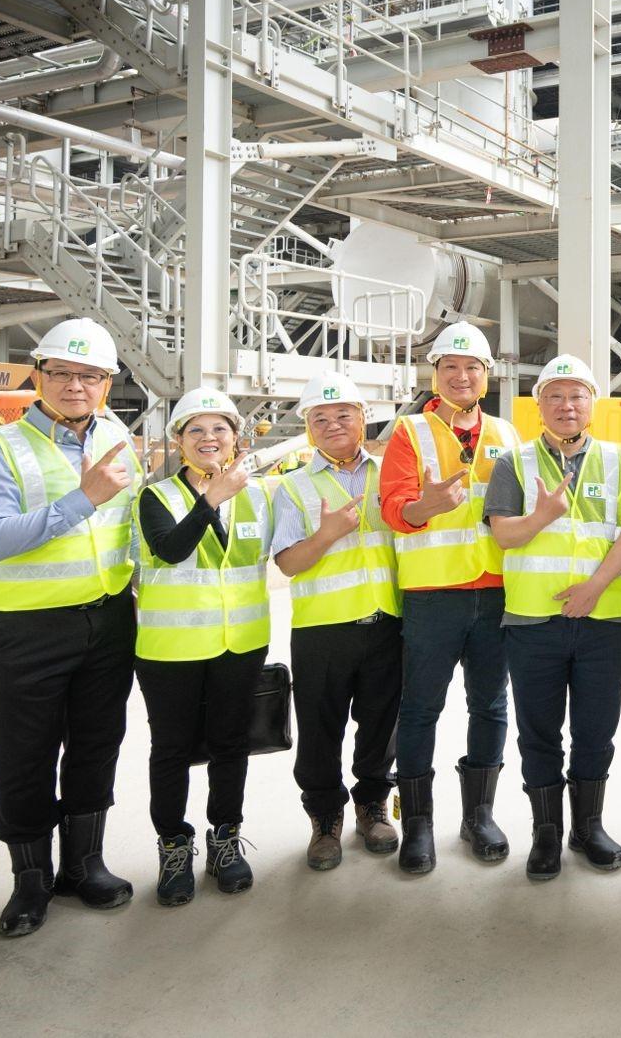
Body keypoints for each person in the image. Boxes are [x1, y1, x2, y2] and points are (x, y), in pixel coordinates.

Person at [0, 318, 144, 937]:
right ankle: (30, 881)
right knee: (23, 756)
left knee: (98, 745)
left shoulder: (119, 438)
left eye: (89, 374)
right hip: (26, 629)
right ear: (38, 376)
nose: (75, 385)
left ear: (108, 382)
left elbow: (128, 535)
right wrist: (81, 499)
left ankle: (85, 864)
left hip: (108, 620)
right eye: (62, 372)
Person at [485, 356, 621, 880]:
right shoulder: (514, 463)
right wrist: (541, 517)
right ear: (540, 406)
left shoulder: (620, 462)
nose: (566, 406)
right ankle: (547, 833)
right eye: (555, 396)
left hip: (600, 620)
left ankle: (588, 827)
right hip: (533, 622)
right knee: (538, 733)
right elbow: (504, 534)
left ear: (591, 404)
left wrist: (595, 587)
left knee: (596, 730)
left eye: (576, 395)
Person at [378, 321, 523, 874]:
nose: (462, 376)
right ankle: (417, 823)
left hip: (494, 595)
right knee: (420, 709)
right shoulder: (409, 432)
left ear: (487, 376)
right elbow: (395, 510)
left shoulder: (507, 436)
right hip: (433, 595)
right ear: (434, 374)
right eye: (451, 367)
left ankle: (479, 814)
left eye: (473, 367)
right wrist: (426, 506)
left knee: (490, 705)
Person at [134, 387, 272, 906]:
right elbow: (170, 551)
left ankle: (226, 840)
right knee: (171, 750)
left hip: (240, 643)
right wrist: (212, 497)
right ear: (178, 441)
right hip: (171, 649)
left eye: (219, 429)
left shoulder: (260, 496)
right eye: (196, 430)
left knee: (230, 745)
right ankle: (174, 846)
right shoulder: (157, 496)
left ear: (236, 438)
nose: (209, 439)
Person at [271, 372, 403, 872]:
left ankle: (372, 806)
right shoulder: (294, 486)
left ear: (362, 418)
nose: (333, 425)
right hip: (323, 629)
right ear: (307, 428)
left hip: (386, 620)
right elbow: (287, 563)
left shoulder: (390, 474)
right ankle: (325, 818)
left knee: (381, 725)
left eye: (343, 414)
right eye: (319, 418)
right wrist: (326, 535)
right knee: (320, 729)